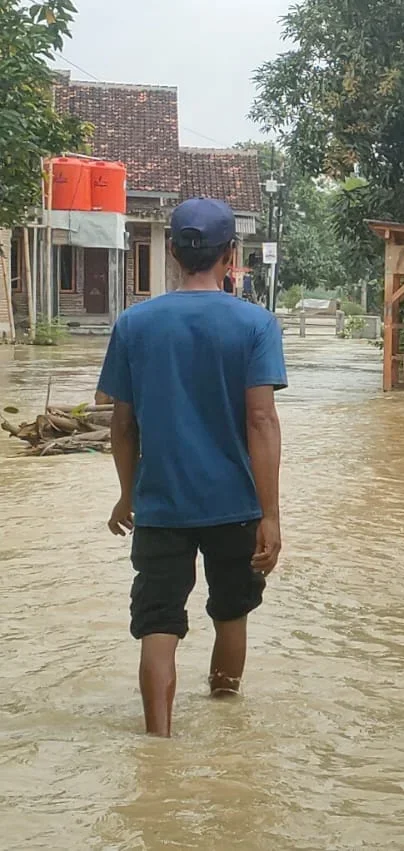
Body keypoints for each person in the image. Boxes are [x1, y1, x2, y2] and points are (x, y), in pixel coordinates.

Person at [98, 198, 287, 738]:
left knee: (157, 622)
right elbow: (261, 421)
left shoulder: (135, 324)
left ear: (176, 254)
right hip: (235, 504)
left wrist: (126, 494)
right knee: (232, 611)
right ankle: (227, 727)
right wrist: (270, 515)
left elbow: (123, 425)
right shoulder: (256, 324)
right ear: (232, 254)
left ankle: (158, 742)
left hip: (159, 503)